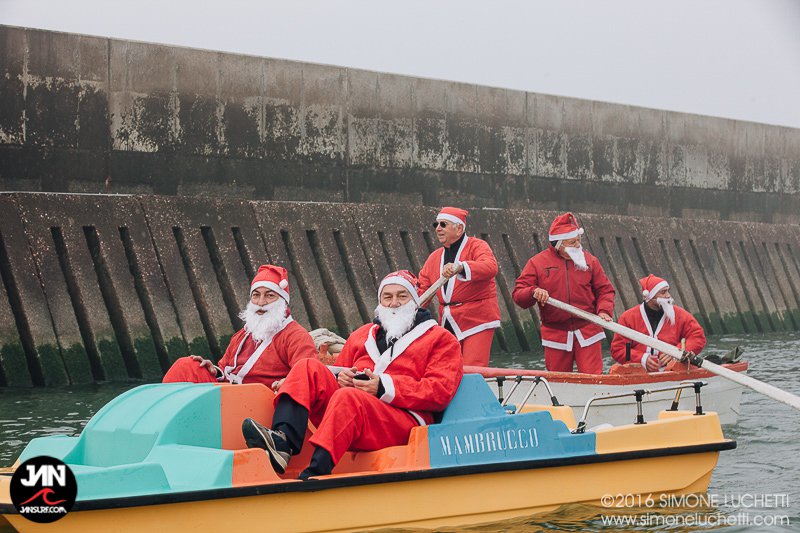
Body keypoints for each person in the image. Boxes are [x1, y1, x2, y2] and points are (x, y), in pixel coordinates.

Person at [241, 270, 463, 480]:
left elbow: (439, 391)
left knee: (348, 397)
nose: (393, 303)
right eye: (387, 297)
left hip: (404, 421)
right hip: (353, 416)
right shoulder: (362, 335)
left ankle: (316, 472)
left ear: (415, 301)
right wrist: (341, 378)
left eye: (401, 296)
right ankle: (282, 442)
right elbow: (336, 374)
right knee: (307, 367)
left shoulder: (441, 340)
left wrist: (383, 387)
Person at [162, 265, 317, 385]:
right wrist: (215, 371)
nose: (261, 302)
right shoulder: (243, 334)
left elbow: (307, 374)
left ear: (283, 301)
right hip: (229, 392)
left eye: (270, 296)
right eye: (256, 295)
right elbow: (224, 367)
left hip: (261, 400)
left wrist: (286, 383)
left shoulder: (296, 336)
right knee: (187, 365)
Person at [512, 212, 615, 374]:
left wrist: (604, 310)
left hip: (587, 329)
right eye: (572, 242)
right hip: (555, 333)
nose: (578, 245)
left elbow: (605, 290)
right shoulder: (537, 263)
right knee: (558, 380)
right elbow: (518, 295)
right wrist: (533, 292)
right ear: (558, 244)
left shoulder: (590, 261)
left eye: (578, 241)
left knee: (593, 378)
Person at [418, 207, 501, 366]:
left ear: (460, 228)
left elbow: (490, 267)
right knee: (447, 367)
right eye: (436, 224)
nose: (438, 228)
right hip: (448, 320)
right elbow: (422, 291)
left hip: (477, 319)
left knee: (472, 367)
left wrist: (461, 267)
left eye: (443, 224)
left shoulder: (477, 246)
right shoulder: (434, 258)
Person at [611, 274, 706, 372]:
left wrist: (675, 352)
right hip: (638, 373)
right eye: (663, 292)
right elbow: (618, 349)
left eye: (668, 291)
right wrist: (642, 359)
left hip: (673, 371)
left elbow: (698, 337)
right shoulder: (628, 317)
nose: (668, 295)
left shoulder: (680, 315)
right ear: (650, 296)